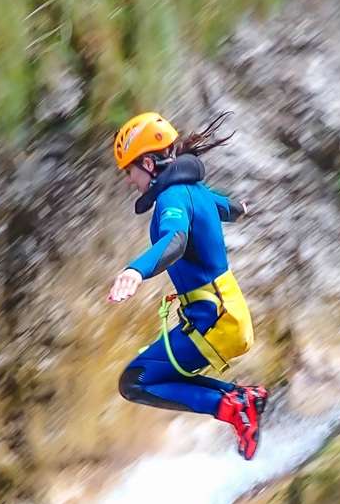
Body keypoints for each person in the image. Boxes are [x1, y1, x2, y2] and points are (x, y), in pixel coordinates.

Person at [106, 110, 268, 459]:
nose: (128, 181)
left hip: (215, 322)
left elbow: (175, 240)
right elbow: (228, 208)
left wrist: (135, 271)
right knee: (150, 375)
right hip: (225, 314)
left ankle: (233, 405)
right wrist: (242, 207)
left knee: (135, 381)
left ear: (148, 163)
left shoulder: (173, 198)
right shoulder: (195, 191)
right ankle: (240, 400)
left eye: (129, 171)